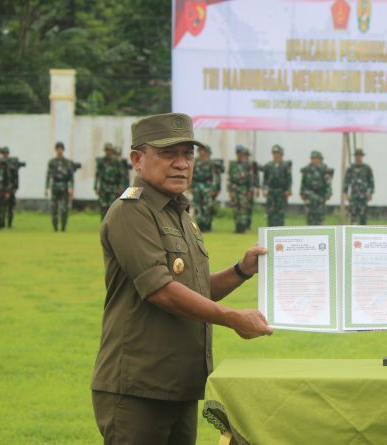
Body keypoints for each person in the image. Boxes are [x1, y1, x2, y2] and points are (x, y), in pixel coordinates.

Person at [91, 112, 273, 445]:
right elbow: (162, 291)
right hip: (139, 388)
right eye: (167, 153)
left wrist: (241, 270)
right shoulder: (131, 211)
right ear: (137, 159)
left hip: (179, 383)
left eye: (187, 154)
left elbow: (195, 290)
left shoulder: (180, 214)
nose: (181, 164)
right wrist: (233, 319)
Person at [45, 141, 76, 232]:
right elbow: (48, 175)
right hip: (55, 186)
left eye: (61, 149)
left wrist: (71, 188)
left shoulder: (67, 163)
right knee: (54, 207)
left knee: (64, 208)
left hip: (64, 186)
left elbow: (71, 177)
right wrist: (46, 188)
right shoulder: (52, 162)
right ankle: (55, 227)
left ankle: (63, 226)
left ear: (63, 150)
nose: (59, 151)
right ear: (56, 150)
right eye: (58, 149)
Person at [191, 145, 222, 231]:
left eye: (203, 151)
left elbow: (216, 177)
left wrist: (216, 189)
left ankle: (207, 225)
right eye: (200, 151)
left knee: (208, 207)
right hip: (197, 187)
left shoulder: (212, 164)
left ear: (208, 153)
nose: (201, 152)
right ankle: (199, 225)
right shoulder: (195, 162)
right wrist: (191, 187)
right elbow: (191, 175)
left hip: (208, 188)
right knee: (197, 206)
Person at [228, 145, 257, 233]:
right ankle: (237, 227)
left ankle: (243, 228)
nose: (239, 155)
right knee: (236, 209)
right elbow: (229, 178)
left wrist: (250, 191)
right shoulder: (232, 164)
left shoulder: (247, 164)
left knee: (243, 209)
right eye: (238, 153)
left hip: (244, 189)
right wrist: (230, 191)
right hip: (234, 188)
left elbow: (251, 178)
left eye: (241, 153)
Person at [262, 144, 292, 227]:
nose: (276, 155)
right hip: (271, 191)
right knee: (270, 210)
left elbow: (289, 179)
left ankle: (279, 228)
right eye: (274, 153)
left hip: (281, 191)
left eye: (278, 153)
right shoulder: (268, 165)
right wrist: (264, 189)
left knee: (280, 211)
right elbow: (265, 179)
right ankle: (270, 228)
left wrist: (288, 190)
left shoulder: (285, 165)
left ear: (281, 154)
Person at [300, 150, 333, 225]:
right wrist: (301, 193)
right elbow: (303, 182)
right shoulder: (307, 169)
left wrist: (328, 193)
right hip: (309, 197)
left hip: (320, 196)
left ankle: (320, 234)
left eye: (316, 158)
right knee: (309, 217)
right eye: (312, 158)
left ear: (320, 159)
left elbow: (328, 182)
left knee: (319, 217)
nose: (314, 160)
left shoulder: (324, 169)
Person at [342, 148, 374, 225]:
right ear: (355, 157)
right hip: (353, 197)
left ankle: (363, 234)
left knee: (363, 217)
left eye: (360, 156)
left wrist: (370, 193)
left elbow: (371, 182)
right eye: (357, 156)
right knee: (353, 216)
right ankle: (352, 234)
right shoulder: (350, 169)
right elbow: (346, 181)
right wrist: (345, 193)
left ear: (362, 157)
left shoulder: (367, 168)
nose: (358, 157)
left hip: (363, 197)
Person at [94, 143, 123, 220]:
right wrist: (95, 186)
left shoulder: (116, 162)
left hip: (113, 187)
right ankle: (103, 224)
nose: (108, 152)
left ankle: (110, 225)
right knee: (103, 207)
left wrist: (120, 187)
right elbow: (97, 175)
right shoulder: (101, 162)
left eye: (109, 150)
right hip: (103, 187)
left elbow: (120, 175)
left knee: (112, 207)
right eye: (107, 150)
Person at [1, 146, 24, 228]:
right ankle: (2, 223)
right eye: (3, 153)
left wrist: (14, 188)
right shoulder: (0, 163)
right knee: (2, 207)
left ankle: (9, 224)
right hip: (2, 189)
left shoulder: (12, 164)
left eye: (6, 153)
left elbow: (15, 177)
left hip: (11, 189)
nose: (5, 155)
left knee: (10, 208)